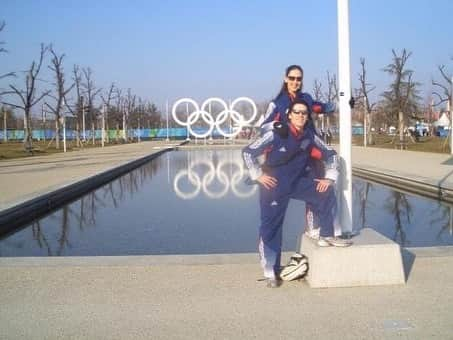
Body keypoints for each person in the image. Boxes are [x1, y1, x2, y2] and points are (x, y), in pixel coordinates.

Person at [243, 99, 352, 288]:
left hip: (296, 183)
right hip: (273, 187)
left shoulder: (309, 136)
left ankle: (327, 235)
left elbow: (330, 154)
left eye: (304, 113)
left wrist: (330, 177)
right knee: (271, 228)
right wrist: (258, 175)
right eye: (297, 112)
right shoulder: (275, 133)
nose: (301, 116)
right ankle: (270, 271)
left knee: (324, 191)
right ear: (289, 115)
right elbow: (248, 152)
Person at [261, 64, 335, 241]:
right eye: (292, 78)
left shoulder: (306, 99)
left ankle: (314, 228)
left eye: (299, 79)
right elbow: (263, 127)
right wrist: (277, 126)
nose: (295, 82)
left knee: (318, 187)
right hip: (288, 156)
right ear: (285, 79)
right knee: (275, 211)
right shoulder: (277, 103)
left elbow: (322, 107)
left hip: (310, 151)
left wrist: (342, 104)